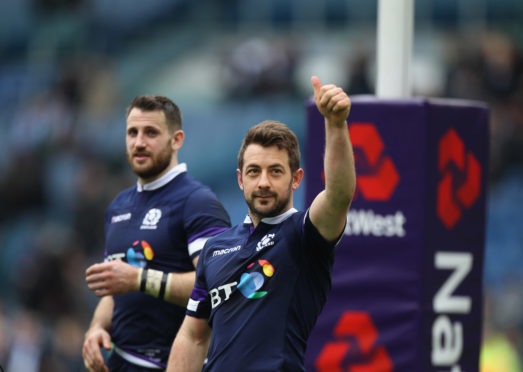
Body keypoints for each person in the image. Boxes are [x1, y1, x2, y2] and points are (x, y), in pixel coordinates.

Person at [166, 76, 356, 371]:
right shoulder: (214, 249)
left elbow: (339, 194)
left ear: (296, 179)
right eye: (254, 172)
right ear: (241, 179)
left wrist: (335, 124)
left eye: (275, 171)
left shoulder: (303, 235)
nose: (263, 182)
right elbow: (193, 336)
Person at [82, 95, 231, 372]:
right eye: (132, 133)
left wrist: (140, 279)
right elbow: (113, 289)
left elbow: (216, 287)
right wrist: (97, 328)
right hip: (119, 361)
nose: (139, 142)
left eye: (151, 132)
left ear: (177, 140)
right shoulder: (118, 206)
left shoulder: (198, 202)